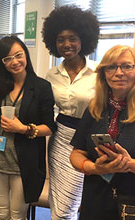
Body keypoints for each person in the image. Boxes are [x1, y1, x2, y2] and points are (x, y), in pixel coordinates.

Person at [69, 45, 135, 220]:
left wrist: (129, 164)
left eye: (127, 66)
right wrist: (95, 168)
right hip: (96, 201)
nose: (119, 72)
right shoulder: (95, 108)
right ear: (103, 73)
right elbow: (76, 154)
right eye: (112, 67)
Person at [0, 36, 56, 220]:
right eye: (7, 59)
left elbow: (50, 126)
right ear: (2, 63)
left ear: (25, 55)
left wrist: (23, 129)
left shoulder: (41, 87)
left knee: (17, 215)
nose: (14, 62)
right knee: (1, 213)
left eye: (18, 55)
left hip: (24, 163)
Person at [41, 5, 100, 220]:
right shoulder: (51, 75)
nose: (67, 44)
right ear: (53, 43)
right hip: (60, 139)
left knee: (78, 201)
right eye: (61, 39)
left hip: (88, 139)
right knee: (60, 201)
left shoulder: (98, 73)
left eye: (72, 38)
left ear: (83, 39)